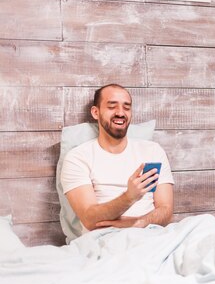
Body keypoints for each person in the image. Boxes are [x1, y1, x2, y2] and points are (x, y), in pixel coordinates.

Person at [61, 84, 174, 234]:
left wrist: (138, 223)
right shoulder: (78, 158)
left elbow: (166, 209)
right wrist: (129, 197)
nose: (120, 113)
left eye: (126, 107)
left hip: (151, 234)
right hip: (107, 237)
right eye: (112, 106)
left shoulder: (152, 151)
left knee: (206, 222)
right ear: (96, 112)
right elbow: (89, 219)